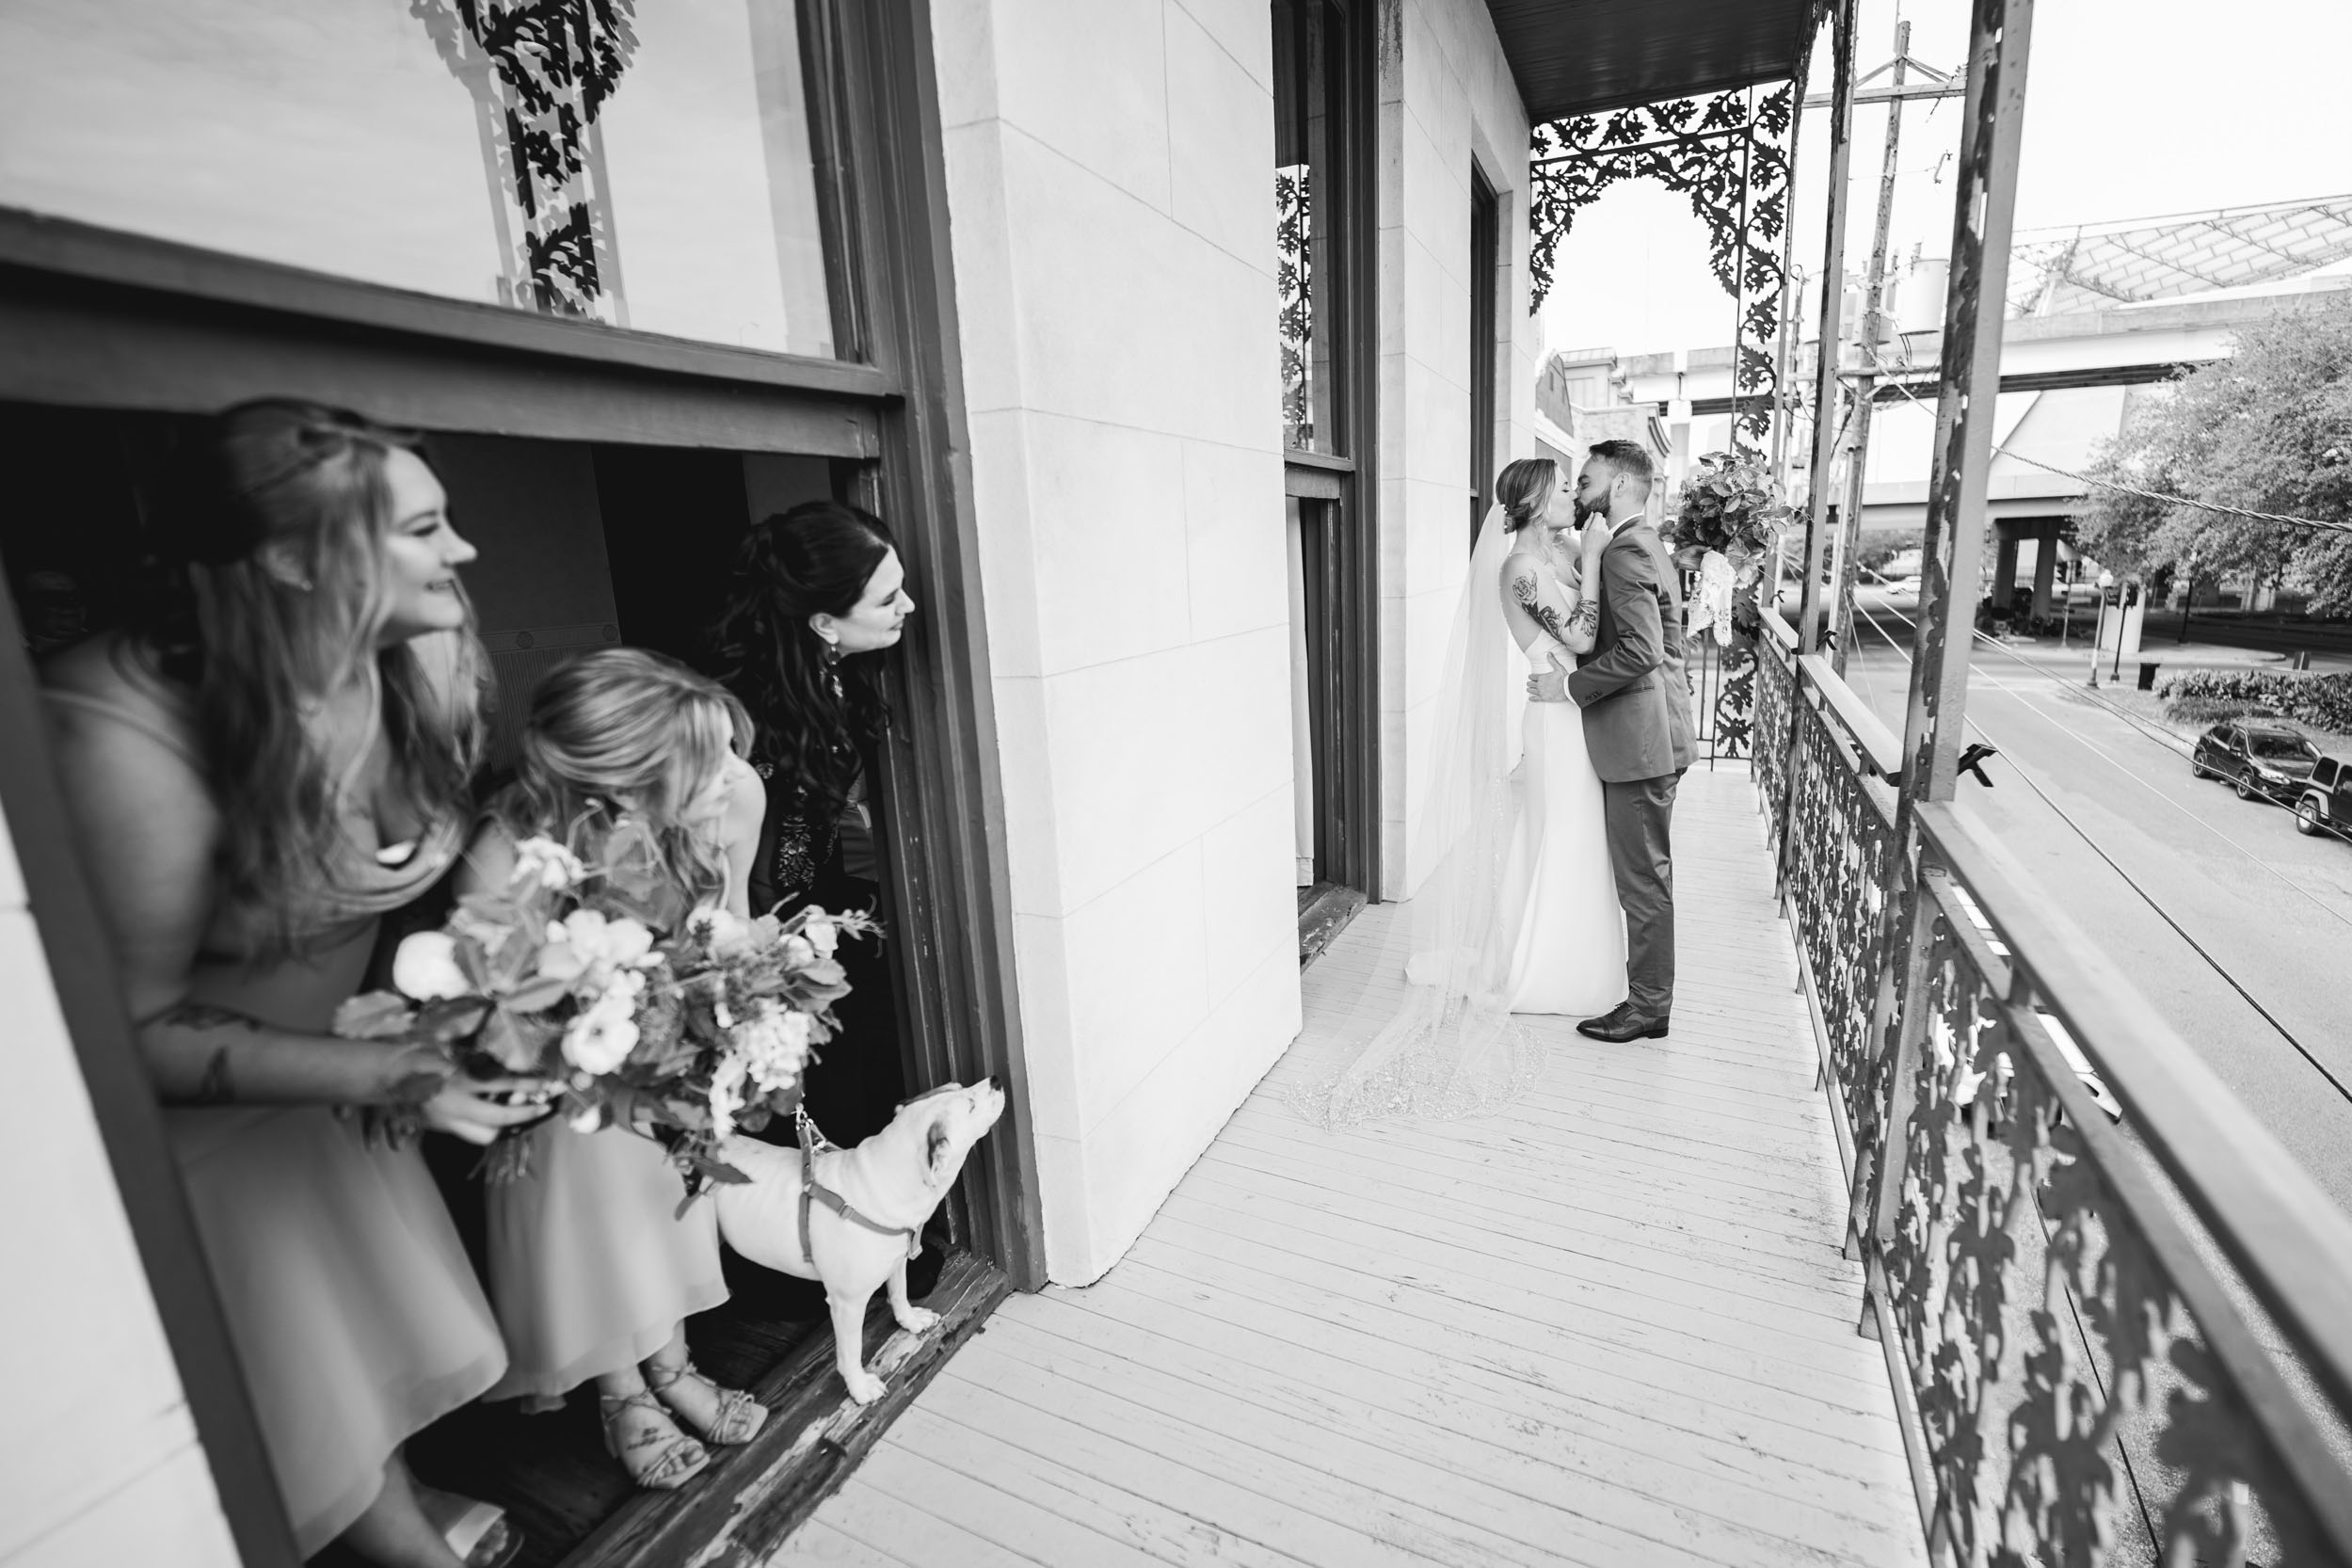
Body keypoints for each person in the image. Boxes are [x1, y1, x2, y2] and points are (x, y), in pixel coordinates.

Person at [41, 399, 542, 1568]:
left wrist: (518, 983)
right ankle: (400, 1543)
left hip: (339, 1073)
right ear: (289, 557)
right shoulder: (121, 738)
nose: (462, 552)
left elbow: (439, 865)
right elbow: (124, 1029)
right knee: (293, 1357)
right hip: (201, 1126)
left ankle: (400, 1500)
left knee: (354, 1328)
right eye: (424, 528)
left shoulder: (419, 653)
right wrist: (395, 1067)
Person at [462, 648, 770, 1492]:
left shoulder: (676, 828)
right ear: (625, 773)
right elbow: (485, 1011)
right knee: (600, 1246)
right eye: (708, 763)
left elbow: (718, 933)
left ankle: (673, 1366)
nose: (732, 778)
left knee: (661, 1224)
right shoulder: (512, 849)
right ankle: (622, 1391)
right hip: (567, 1100)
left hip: (658, 1080)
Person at [1295, 456, 1620, 1128]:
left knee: (1570, 839)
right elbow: (1582, 638)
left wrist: (1590, 553)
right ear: (1533, 504)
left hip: (1574, 711)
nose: (1571, 500)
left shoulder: (1554, 551)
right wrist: (1590, 558)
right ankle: (1544, 967)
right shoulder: (1520, 570)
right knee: (1565, 835)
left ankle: (1559, 946)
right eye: (1561, 490)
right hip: (1556, 723)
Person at [709, 500, 914, 1148]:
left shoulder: (835, 678)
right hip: (762, 927)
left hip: (825, 903)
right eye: (888, 599)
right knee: (815, 1090)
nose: (907, 606)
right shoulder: (738, 711)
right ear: (823, 620)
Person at [1530, 439, 1694, 1042]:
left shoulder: (1625, 553)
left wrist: (1570, 685)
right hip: (1654, 732)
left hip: (1640, 742)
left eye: (1587, 480)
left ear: (1620, 486)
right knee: (1647, 875)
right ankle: (1650, 998)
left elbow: (1643, 651)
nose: (1578, 491)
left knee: (1643, 880)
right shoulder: (1641, 542)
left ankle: (1650, 1006)